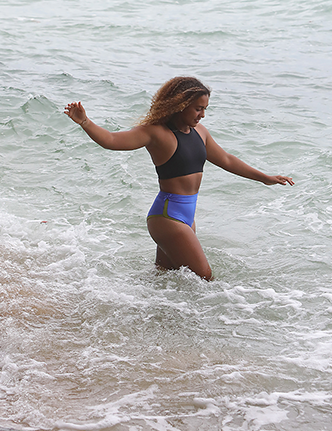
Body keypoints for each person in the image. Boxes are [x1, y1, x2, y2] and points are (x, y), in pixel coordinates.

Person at [64, 76, 293, 280]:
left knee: (164, 279)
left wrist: (265, 178)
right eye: (198, 109)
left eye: (205, 109)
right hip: (167, 217)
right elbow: (112, 141)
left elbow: (227, 159)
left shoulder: (200, 132)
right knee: (204, 278)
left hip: (186, 216)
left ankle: (140, 310)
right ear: (180, 105)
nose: (202, 115)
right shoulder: (156, 132)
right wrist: (85, 122)